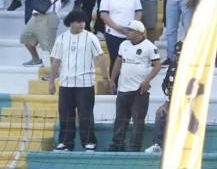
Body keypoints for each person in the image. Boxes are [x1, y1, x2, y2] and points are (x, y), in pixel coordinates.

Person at [49, 8, 110, 152]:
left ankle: (89, 142)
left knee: (86, 114)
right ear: (70, 23)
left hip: (85, 84)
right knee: (65, 114)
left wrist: (106, 78)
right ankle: (65, 143)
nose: (82, 24)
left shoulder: (91, 37)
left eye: (84, 21)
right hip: (65, 84)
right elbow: (56, 61)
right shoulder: (61, 38)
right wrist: (51, 82)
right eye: (78, 21)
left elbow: (100, 58)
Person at [109, 18, 161, 153]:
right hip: (122, 88)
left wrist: (147, 81)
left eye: (130, 30)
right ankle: (117, 145)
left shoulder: (149, 46)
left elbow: (157, 66)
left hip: (139, 90)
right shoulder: (124, 45)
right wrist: (112, 79)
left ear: (139, 32)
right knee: (120, 119)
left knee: (138, 120)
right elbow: (118, 62)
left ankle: (134, 148)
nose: (127, 32)